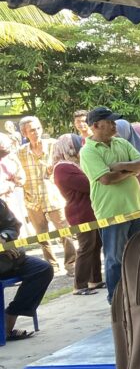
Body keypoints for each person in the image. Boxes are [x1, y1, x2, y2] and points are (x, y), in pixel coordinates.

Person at [79, 107, 140, 303]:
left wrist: (119, 166)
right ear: (95, 126)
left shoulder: (120, 142)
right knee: (114, 259)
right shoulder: (88, 151)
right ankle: (117, 300)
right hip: (111, 212)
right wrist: (130, 169)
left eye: (113, 122)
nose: (113, 125)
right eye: (109, 122)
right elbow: (106, 179)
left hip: (137, 207)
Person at [18, 116, 77, 274]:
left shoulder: (53, 145)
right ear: (25, 133)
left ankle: (71, 263)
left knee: (65, 233)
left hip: (54, 197)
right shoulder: (21, 152)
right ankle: (51, 266)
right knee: (42, 237)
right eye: (32, 130)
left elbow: (69, 164)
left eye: (38, 128)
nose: (36, 132)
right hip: (33, 200)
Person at [51, 134, 104, 295]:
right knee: (86, 247)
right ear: (68, 148)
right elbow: (88, 185)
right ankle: (80, 285)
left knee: (95, 245)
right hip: (80, 212)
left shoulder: (73, 165)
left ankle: (95, 280)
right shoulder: (63, 168)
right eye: (77, 145)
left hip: (88, 210)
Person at [0, 197, 53, 341]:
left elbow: (13, 225)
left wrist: (4, 238)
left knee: (43, 269)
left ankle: (9, 318)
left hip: (11, 259)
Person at [0, 134, 25, 224]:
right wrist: (9, 185)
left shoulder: (11, 157)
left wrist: (15, 182)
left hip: (13, 199)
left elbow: (21, 178)